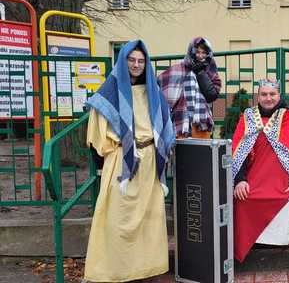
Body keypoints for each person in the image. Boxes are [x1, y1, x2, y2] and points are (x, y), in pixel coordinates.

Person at [84, 40, 175, 282]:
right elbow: (97, 136)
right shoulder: (109, 91)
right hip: (122, 162)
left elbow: (164, 124)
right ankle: (114, 271)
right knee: (117, 218)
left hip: (150, 165)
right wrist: (117, 151)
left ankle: (146, 269)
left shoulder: (153, 91)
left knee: (149, 220)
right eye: (131, 60)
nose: (136, 65)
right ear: (123, 61)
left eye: (141, 61)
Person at [231, 78, 289, 262]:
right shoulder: (248, 117)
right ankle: (254, 240)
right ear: (258, 96)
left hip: (282, 179)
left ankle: (275, 240)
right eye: (264, 94)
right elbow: (239, 151)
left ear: (279, 95)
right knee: (244, 198)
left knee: (287, 198)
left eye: (272, 94)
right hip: (255, 177)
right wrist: (240, 180)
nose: (268, 98)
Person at [159, 36, 221, 139]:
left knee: (201, 153)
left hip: (201, 124)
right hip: (181, 121)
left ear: (208, 53)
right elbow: (161, 82)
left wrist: (200, 73)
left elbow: (212, 95)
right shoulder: (180, 68)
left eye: (204, 52)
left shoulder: (211, 69)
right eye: (197, 52)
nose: (200, 56)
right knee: (181, 153)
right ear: (191, 52)